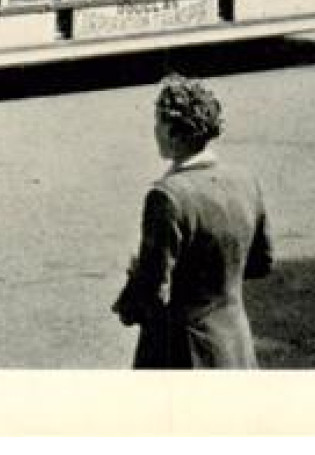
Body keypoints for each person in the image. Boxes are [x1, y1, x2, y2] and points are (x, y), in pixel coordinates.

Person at [113, 75, 273, 369]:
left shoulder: (167, 196)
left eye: (158, 123)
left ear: (175, 133)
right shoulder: (246, 181)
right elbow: (261, 262)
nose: (155, 131)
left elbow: (152, 290)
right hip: (235, 347)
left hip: (180, 351)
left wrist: (129, 299)